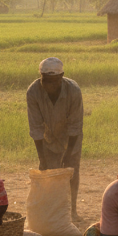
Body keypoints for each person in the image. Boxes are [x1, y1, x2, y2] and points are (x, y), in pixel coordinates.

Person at [27, 56, 84, 217]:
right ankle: (51, 211)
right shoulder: (33, 92)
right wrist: (42, 157)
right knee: (48, 174)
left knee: (71, 172)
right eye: (46, 81)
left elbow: (75, 125)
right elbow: (36, 127)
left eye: (54, 81)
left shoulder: (73, 90)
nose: (50, 86)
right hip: (47, 138)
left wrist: (68, 153)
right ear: (41, 78)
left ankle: (71, 211)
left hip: (70, 138)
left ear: (62, 77)